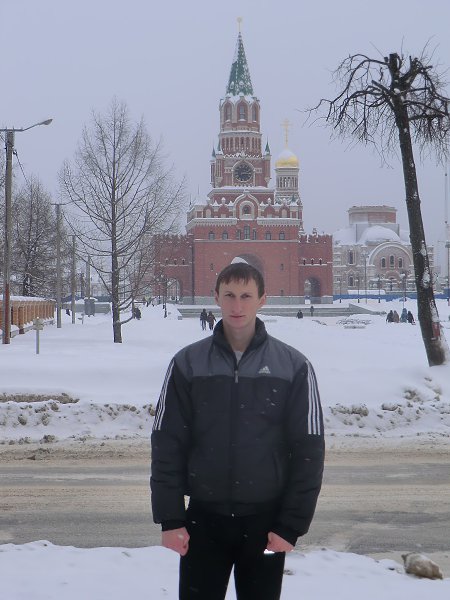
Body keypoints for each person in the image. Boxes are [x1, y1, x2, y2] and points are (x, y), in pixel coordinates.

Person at [151, 262, 325, 600]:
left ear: (263, 299)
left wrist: (290, 526)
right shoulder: (188, 363)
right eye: (229, 295)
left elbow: (309, 451)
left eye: (246, 296)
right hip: (203, 521)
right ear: (216, 297)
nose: (237, 305)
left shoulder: (293, 366)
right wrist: (171, 519)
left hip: (266, 524)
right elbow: (167, 443)